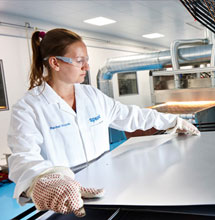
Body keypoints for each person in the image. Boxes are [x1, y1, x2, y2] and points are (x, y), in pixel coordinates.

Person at [8, 28, 200, 217]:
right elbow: (23, 157)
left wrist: (172, 121)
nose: (87, 67)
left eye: (87, 60)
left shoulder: (91, 95)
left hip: (105, 192)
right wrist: (45, 181)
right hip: (64, 199)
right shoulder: (29, 107)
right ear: (55, 63)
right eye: (79, 61)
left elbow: (130, 115)